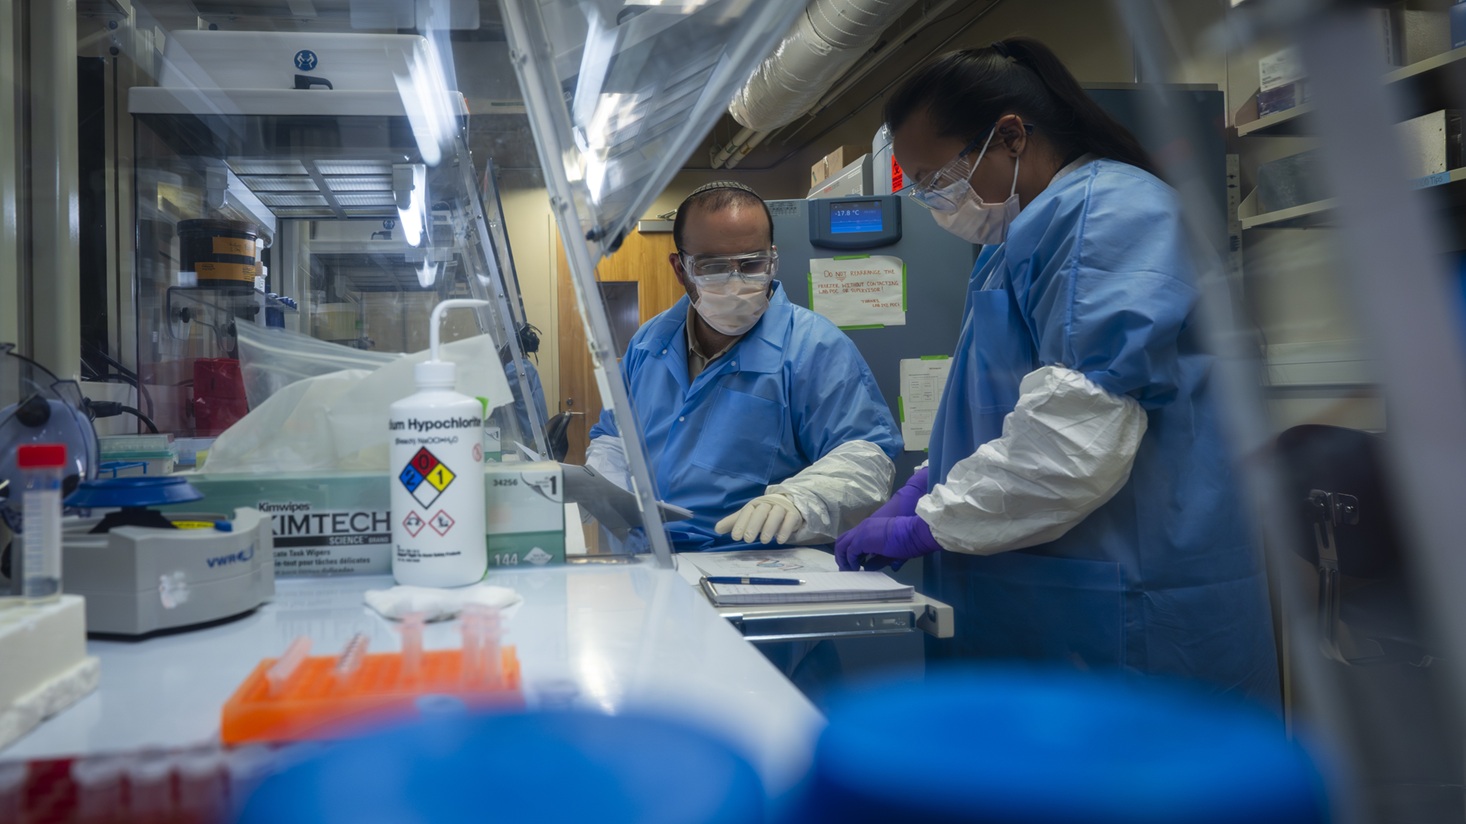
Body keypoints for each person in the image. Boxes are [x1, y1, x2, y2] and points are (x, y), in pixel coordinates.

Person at [835, 39, 1279, 704]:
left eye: (938, 178)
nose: (934, 201)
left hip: (1121, 610)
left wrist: (928, 518)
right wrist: (932, 479)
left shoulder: (1106, 215)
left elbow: (1073, 443)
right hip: (1055, 603)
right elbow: (1006, 406)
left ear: (1009, 135)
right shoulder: (1021, 236)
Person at [586, 181, 901, 552]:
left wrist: (799, 501)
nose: (736, 282)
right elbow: (613, 435)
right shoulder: (648, 342)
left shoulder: (814, 348)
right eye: (713, 266)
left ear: (772, 258)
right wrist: (610, 485)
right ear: (680, 268)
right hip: (647, 561)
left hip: (752, 569)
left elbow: (866, 458)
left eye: (752, 264)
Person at [500, 322, 549, 449]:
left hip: (531, 440)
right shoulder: (524, 365)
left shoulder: (514, 369)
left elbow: (498, 394)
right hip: (537, 436)